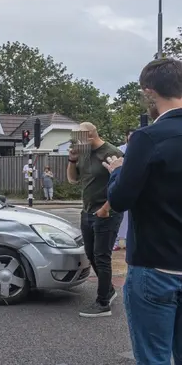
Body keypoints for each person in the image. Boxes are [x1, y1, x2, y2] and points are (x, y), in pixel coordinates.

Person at [103, 58, 182, 365]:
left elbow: (121, 198)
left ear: (150, 92)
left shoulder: (147, 139)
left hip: (154, 268)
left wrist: (118, 169)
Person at [66, 121, 124, 318]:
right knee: (91, 254)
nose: (76, 143)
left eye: (79, 139)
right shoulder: (82, 154)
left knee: (102, 256)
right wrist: (72, 161)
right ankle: (107, 290)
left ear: (90, 136)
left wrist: (106, 208)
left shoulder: (112, 153)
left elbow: (121, 185)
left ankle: (103, 303)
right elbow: (73, 180)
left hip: (107, 212)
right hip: (87, 212)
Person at [114, 129, 134, 251]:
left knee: (130, 215)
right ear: (126, 137)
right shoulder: (119, 150)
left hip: (134, 184)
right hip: (121, 183)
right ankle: (115, 240)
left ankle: (127, 240)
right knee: (118, 213)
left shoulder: (140, 148)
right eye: (129, 136)